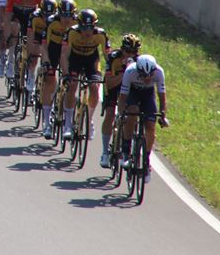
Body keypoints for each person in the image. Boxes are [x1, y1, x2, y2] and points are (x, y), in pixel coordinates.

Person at [117, 55, 169, 183]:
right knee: (132, 114)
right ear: (138, 70)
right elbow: (123, 96)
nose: (147, 78)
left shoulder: (159, 72)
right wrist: (121, 113)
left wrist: (163, 114)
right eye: (143, 75)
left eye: (149, 75)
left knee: (151, 126)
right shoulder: (130, 71)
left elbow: (162, 96)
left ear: (153, 71)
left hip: (148, 94)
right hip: (133, 92)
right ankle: (126, 149)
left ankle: (146, 159)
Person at [60, 9, 109, 140]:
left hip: (91, 60)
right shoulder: (72, 32)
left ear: (95, 26)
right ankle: (68, 123)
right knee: (73, 85)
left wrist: (111, 74)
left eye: (90, 28)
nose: (87, 32)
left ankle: (89, 119)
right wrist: (65, 74)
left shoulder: (101, 34)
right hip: (75, 59)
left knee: (94, 88)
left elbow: (107, 55)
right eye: (83, 28)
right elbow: (64, 55)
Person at [100, 33, 142, 168]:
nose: (130, 55)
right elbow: (110, 82)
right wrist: (126, 74)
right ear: (122, 49)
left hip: (129, 89)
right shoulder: (114, 57)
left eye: (133, 52)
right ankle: (105, 152)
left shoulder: (140, 61)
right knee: (110, 113)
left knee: (132, 115)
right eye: (127, 51)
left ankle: (127, 146)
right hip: (113, 87)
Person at [40, 0, 78, 138]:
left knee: (73, 84)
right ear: (58, 13)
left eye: (69, 15)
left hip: (70, 51)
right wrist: (46, 62)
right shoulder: (51, 21)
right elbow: (44, 45)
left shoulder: (78, 23)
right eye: (63, 15)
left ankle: (68, 124)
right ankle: (46, 122)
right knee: (50, 79)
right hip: (53, 49)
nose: (66, 19)